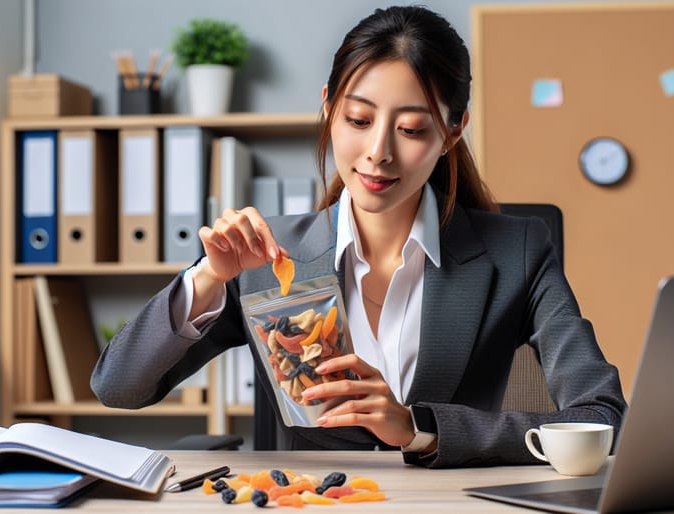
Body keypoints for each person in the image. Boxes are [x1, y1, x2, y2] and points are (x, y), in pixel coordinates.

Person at [91, 5, 626, 468]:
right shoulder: (264, 256)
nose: (378, 152)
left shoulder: (518, 252)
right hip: (311, 502)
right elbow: (117, 388)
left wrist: (420, 428)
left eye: (412, 129)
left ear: (452, 131)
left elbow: (602, 418)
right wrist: (208, 277)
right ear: (329, 107)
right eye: (357, 119)